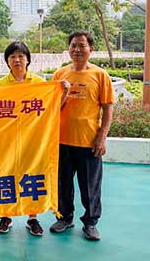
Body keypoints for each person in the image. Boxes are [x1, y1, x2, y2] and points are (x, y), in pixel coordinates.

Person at [49, 31, 113, 241]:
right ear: (68, 49)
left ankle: (91, 223)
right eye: (73, 46)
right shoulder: (59, 75)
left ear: (90, 50)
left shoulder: (100, 75)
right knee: (63, 185)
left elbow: (107, 107)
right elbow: (53, 108)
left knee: (90, 187)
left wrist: (102, 137)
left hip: (89, 142)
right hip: (61, 141)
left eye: (82, 46)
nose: (77, 50)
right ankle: (65, 217)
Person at [0, 41, 47, 236]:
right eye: (13, 57)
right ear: (7, 61)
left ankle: (32, 218)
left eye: (21, 56)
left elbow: (50, 107)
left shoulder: (40, 83)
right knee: (6, 176)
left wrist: (64, 90)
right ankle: (5, 216)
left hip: (32, 140)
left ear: (28, 60)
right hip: (7, 141)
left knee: (32, 177)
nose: (17, 60)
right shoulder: (0, 85)